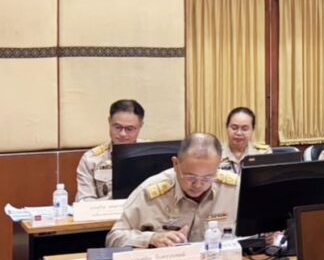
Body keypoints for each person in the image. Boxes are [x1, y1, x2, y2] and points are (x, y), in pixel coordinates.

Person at [106, 133, 240, 248]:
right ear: (176, 164)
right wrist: (152, 239)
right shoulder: (150, 192)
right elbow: (113, 238)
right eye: (190, 177)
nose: (198, 185)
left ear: (218, 167)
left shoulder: (235, 188)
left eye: (207, 178)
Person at [75, 99, 146, 202]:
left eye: (129, 129)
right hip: (107, 211)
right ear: (109, 122)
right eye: (118, 127)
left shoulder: (153, 155)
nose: (122, 134)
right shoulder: (91, 159)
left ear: (140, 126)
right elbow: (85, 201)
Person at [219, 107, 271, 174]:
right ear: (227, 127)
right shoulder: (215, 154)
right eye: (234, 128)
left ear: (252, 129)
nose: (239, 133)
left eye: (245, 129)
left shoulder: (263, 153)